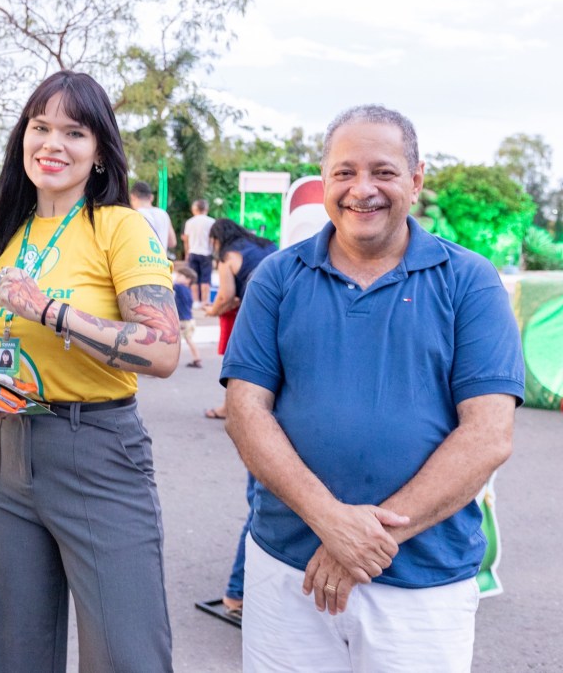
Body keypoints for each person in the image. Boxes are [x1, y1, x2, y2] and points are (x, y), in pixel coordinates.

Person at [222, 104, 524, 671]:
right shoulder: (278, 279)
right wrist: (330, 522)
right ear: (325, 182)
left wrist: (365, 541)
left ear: (415, 180)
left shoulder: (470, 281)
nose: (363, 189)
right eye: (345, 172)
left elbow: (488, 435)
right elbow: (245, 410)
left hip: (423, 584)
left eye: (383, 172)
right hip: (289, 570)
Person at [0, 70, 180, 672]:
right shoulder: (5, 235)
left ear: (99, 152)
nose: (53, 144)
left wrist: (52, 311)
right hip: (1, 454)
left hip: (96, 451)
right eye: (41, 127)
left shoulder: (119, 228)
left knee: (126, 653)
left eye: (74, 132)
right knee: (5, 653)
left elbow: (161, 351)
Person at [203, 219, 277, 419]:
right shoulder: (266, 243)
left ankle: (229, 408)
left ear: (217, 239)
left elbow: (226, 295)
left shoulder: (227, 256)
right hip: (285, 304)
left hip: (257, 310)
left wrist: (213, 311)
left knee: (239, 361)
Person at [182, 199, 215, 308]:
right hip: (206, 253)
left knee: (194, 278)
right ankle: (205, 301)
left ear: (194, 209)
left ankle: (195, 301)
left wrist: (187, 253)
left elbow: (186, 239)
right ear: (206, 209)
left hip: (193, 252)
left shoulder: (189, 222)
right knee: (206, 278)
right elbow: (213, 240)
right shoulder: (211, 222)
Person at [130, 180, 176, 252]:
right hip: (162, 261)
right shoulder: (163, 214)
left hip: (141, 261)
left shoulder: (133, 215)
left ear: (132, 197)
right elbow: (172, 243)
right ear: (151, 197)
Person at [173, 266, 201, 368]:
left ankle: (170, 360)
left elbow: (169, 284)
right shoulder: (188, 290)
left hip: (183, 320)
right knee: (189, 339)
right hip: (190, 319)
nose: (177, 277)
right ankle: (196, 358)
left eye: (180, 275)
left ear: (188, 279)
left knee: (175, 341)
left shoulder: (179, 287)